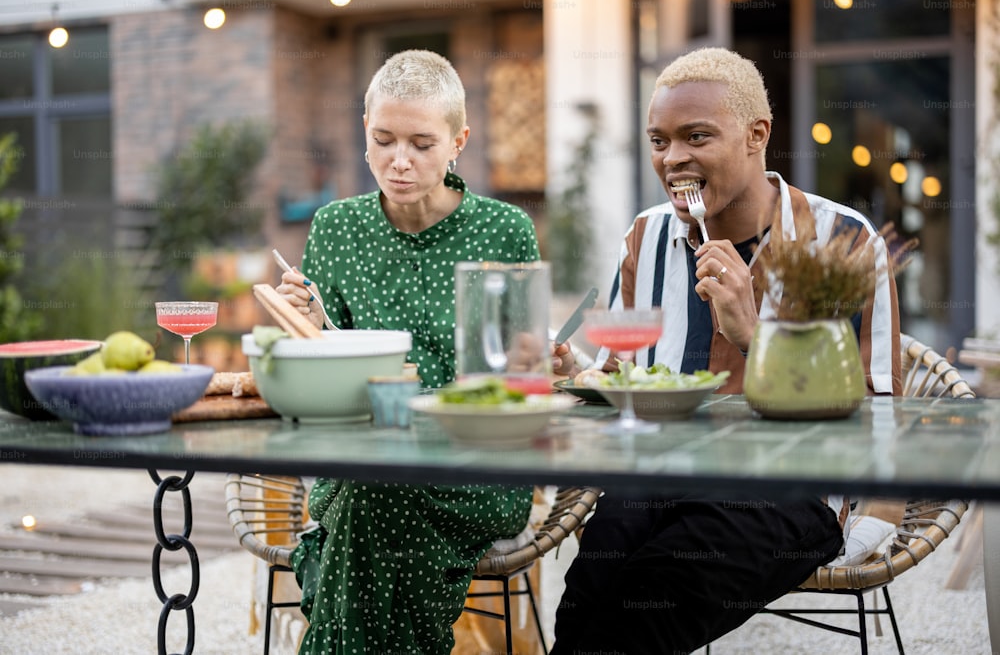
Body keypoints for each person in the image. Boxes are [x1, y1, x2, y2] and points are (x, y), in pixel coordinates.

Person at [549, 47, 902, 653]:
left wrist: (751, 333)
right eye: (659, 140)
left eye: (696, 137)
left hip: (790, 487)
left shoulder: (843, 240)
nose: (672, 159)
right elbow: (624, 377)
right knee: (586, 594)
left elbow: (876, 414)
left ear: (756, 134)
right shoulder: (647, 234)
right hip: (660, 473)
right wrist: (578, 372)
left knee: (647, 606)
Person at [275, 49, 540, 654]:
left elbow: (522, 389)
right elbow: (320, 388)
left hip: (479, 472)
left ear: (458, 142)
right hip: (361, 464)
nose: (399, 160)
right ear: (363, 135)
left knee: (369, 505)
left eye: (422, 143)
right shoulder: (335, 228)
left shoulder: (505, 231)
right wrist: (311, 330)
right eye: (383, 139)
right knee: (373, 491)